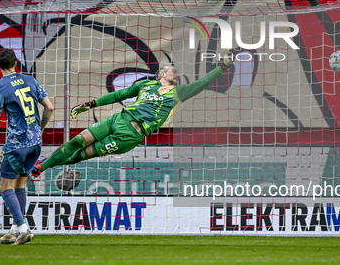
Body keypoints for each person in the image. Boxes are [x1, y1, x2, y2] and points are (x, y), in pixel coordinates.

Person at [32, 50, 235, 179]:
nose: (176, 73)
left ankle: (44, 165)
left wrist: (222, 66)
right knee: (77, 141)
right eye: (173, 71)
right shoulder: (145, 84)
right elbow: (119, 94)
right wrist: (90, 104)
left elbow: (204, 82)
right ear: (162, 74)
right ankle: (40, 167)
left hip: (128, 136)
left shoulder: (179, 93)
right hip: (118, 119)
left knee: (80, 156)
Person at [0, 49, 53, 245]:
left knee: (5, 186)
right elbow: (50, 107)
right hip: (35, 143)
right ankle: (14, 229)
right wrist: (40, 129)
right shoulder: (30, 80)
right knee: (20, 184)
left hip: (17, 145)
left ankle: (23, 228)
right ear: (16, 62)